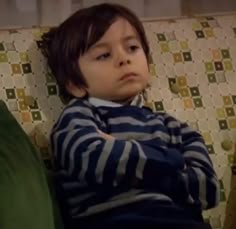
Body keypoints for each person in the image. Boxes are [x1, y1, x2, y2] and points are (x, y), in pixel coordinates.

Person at [41, 3, 219, 229]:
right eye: (104, 55)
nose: (124, 59)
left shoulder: (177, 129)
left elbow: (208, 190)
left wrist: (122, 152)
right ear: (75, 84)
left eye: (132, 48)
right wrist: (172, 161)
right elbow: (93, 158)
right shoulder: (79, 116)